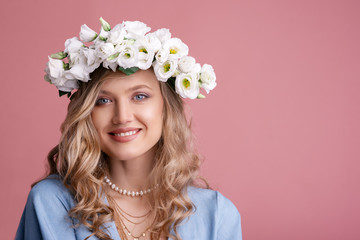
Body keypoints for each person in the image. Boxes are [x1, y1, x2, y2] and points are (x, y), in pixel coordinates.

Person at [15, 18, 242, 240]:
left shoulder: (217, 215)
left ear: (166, 108)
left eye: (140, 96)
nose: (122, 117)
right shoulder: (52, 202)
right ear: (86, 112)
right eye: (103, 101)